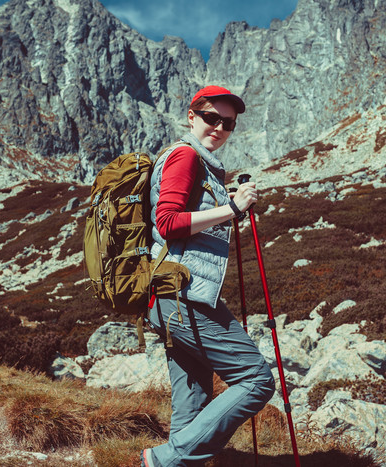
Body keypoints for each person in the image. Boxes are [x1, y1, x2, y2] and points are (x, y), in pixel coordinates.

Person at [142, 86, 275, 466]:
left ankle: (172, 461)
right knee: (256, 380)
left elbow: (188, 226)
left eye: (227, 123)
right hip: (185, 298)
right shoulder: (185, 156)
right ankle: (166, 460)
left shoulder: (202, 163)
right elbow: (168, 223)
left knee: (193, 398)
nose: (218, 127)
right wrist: (232, 207)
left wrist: (229, 213)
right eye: (210, 117)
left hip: (169, 298)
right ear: (191, 116)